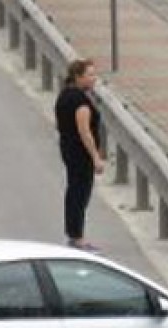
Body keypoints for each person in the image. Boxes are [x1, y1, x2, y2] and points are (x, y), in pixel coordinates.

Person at [54, 59, 106, 251]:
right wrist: (96, 157)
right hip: (80, 154)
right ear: (78, 77)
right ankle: (78, 237)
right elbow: (85, 131)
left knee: (74, 191)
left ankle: (73, 232)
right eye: (90, 75)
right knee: (80, 194)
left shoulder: (64, 95)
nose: (94, 79)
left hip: (68, 149)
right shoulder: (80, 102)